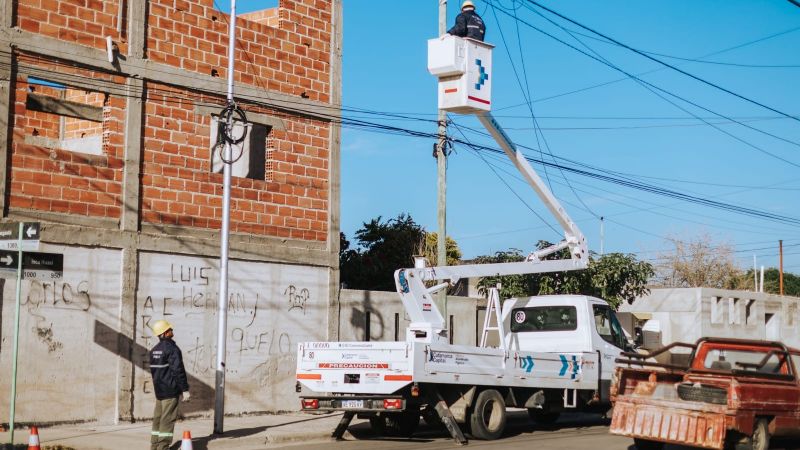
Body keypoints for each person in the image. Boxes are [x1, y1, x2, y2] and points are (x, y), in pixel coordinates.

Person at [149, 319, 190, 450]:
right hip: (170, 391)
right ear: (165, 333)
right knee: (167, 420)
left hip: (159, 391)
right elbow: (178, 370)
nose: (172, 331)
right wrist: (185, 389)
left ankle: (154, 446)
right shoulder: (172, 349)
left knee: (158, 419)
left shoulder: (154, 350)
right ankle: (163, 447)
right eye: (170, 329)